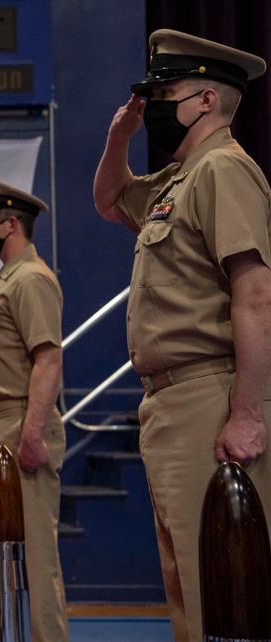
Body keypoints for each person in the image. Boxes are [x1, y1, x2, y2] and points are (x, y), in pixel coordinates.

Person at [93, 29, 271, 642]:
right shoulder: (179, 179)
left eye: (164, 91)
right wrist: (121, 136)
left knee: (217, 591)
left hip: (207, 395)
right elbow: (109, 198)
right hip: (169, 403)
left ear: (203, 101)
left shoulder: (223, 169)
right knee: (185, 588)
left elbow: (255, 292)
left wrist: (246, 413)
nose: (154, 104)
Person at [0, 177, 69, 641]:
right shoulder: (7, 278)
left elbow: (49, 357)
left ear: (10, 225)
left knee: (36, 558)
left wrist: (32, 433)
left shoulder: (31, 279)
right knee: (8, 551)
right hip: (0, 424)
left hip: (22, 422)